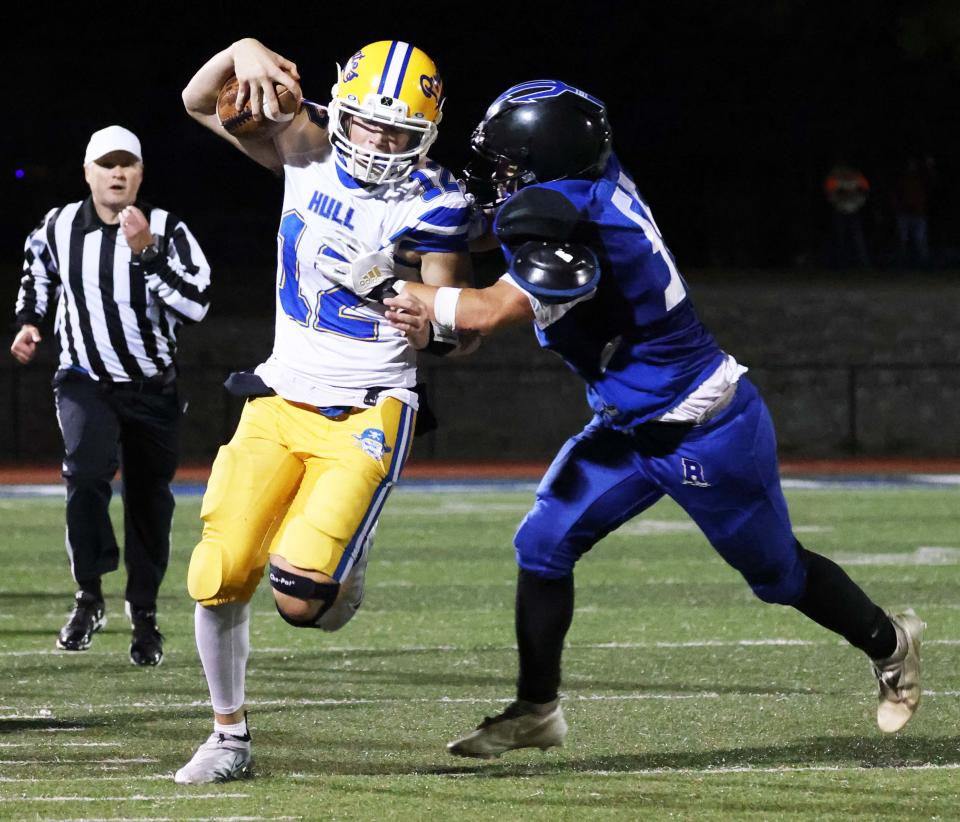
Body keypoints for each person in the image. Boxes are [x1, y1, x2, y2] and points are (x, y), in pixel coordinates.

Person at [376, 81, 924, 758]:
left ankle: (890, 644)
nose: (500, 180)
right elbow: (505, 228)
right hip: (626, 425)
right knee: (542, 547)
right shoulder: (580, 188)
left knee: (778, 577)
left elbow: (485, 313)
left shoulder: (581, 229)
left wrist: (392, 283)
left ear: (547, 163)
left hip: (702, 427)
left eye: (512, 165)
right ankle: (537, 708)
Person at [174, 38, 472, 783]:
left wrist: (427, 325)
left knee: (304, 601)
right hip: (279, 393)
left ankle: (340, 566)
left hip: (370, 405)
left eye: (398, 131)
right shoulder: (303, 146)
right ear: (341, 111)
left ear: (425, 135)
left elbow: (455, 332)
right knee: (218, 571)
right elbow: (196, 100)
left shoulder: (437, 202)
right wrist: (242, 49)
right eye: (368, 123)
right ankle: (228, 737)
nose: (379, 141)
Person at [11, 126, 211, 666]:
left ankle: (142, 613)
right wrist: (31, 321)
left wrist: (147, 253)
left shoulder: (167, 229)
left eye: (127, 164)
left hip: (151, 388)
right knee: (86, 474)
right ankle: (89, 596)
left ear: (141, 174)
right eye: (107, 164)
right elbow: (39, 272)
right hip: (84, 380)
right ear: (88, 172)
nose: (117, 173)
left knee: (149, 500)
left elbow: (197, 303)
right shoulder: (57, 226)